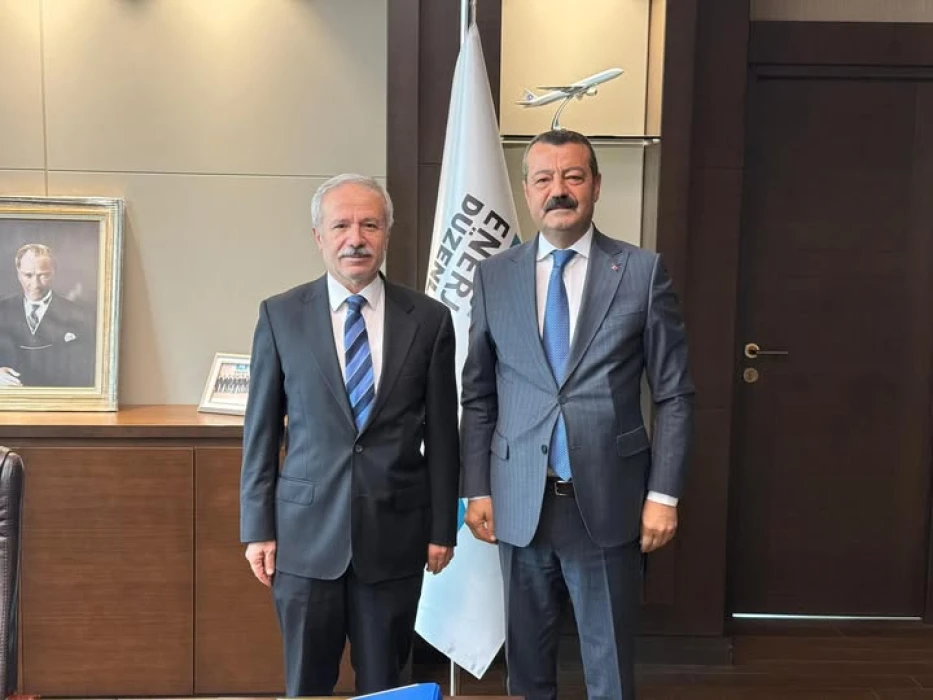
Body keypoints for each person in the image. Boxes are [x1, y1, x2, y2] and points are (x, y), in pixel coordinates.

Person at [460, 129, 695, 700]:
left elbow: (674, 394)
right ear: (526, 190)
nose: (558, 190)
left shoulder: (641, 271)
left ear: (595, 185)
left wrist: (664, 495)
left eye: (572, 176)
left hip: (610, 501)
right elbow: (479, 394)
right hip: (519, 502)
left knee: (609, 670)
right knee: (526, 673)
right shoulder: (494, 276)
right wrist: (477, 488)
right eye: (544, 178)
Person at [240, 173, 460, 697]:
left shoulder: (429, 320)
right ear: (319, 236)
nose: (355, 239)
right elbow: (261, 432)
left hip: (395, 538)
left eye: (369, 225)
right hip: (303, 540)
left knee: (385, 684)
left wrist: (442, 529)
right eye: (341, 226)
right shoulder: (280, 315)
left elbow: (443, 435)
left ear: (387, 234)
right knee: (307, 684)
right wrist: (257, 528)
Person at [0, 243, 95, 388]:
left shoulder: (80, 316)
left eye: (43, 275)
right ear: (18, 274)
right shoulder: (2, 310)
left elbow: (88, 371)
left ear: (54, 273)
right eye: (28, 275)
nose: (35, 284)